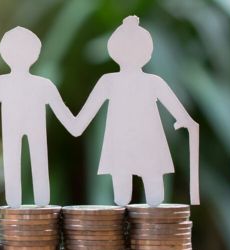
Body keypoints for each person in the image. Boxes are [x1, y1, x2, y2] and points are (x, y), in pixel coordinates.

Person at [71, 16, 199, 206]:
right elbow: (182, 115)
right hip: (140, 145)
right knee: (145, 196)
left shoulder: (110, 81)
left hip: (128, 145)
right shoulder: (150, 82)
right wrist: (186, 122)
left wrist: (72, 123)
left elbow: (82, 119)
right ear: (148, 53)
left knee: (132, 197)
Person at [0, 26, 75, 207]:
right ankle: (24, 201)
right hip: (14, 130)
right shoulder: (7, 84)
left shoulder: (37, 84)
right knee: (16, 167)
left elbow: (69, 120)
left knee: (35, 165)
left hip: (29, 130)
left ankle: (35, 201)